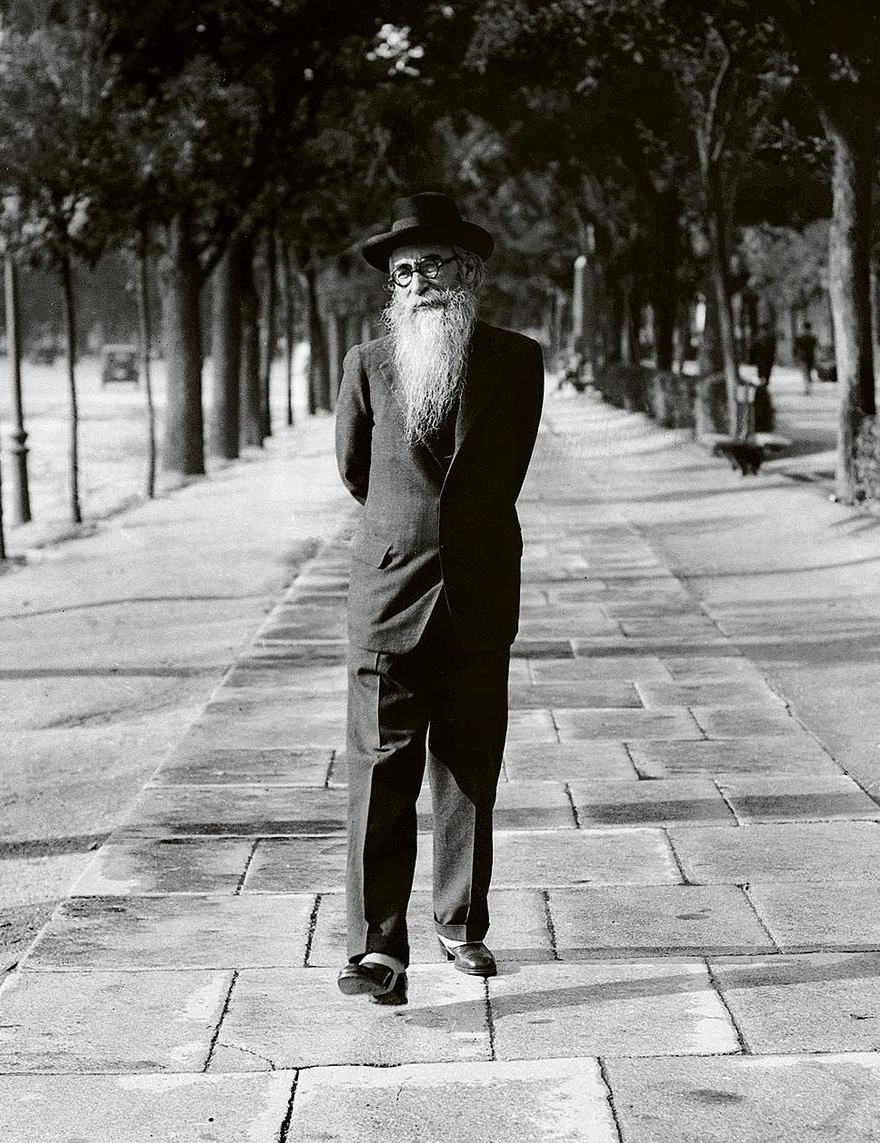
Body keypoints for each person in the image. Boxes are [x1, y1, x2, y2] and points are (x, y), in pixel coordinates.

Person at [334, 192, 545, 1004]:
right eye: (406, 270)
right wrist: (405, 533)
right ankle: (376, 947)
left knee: (468, 769)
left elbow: (507, 471)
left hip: (480, 588)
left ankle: (462, 924)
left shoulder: (517, 360)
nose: (421, 281)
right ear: (394, 285)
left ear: (472, 274)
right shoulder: (367, 364)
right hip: (388, 593)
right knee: (380, 772)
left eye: (437, 265)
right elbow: (357, 471)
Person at [793, 321, 819, 395]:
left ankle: (807, 388)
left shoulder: (800, 338)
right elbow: (817, 348)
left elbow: (795, 349)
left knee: (806, 373)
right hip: (809, 357)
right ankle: (808, 388)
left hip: (804, 357)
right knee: (807, 373)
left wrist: (795, 357)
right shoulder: (812, 338)